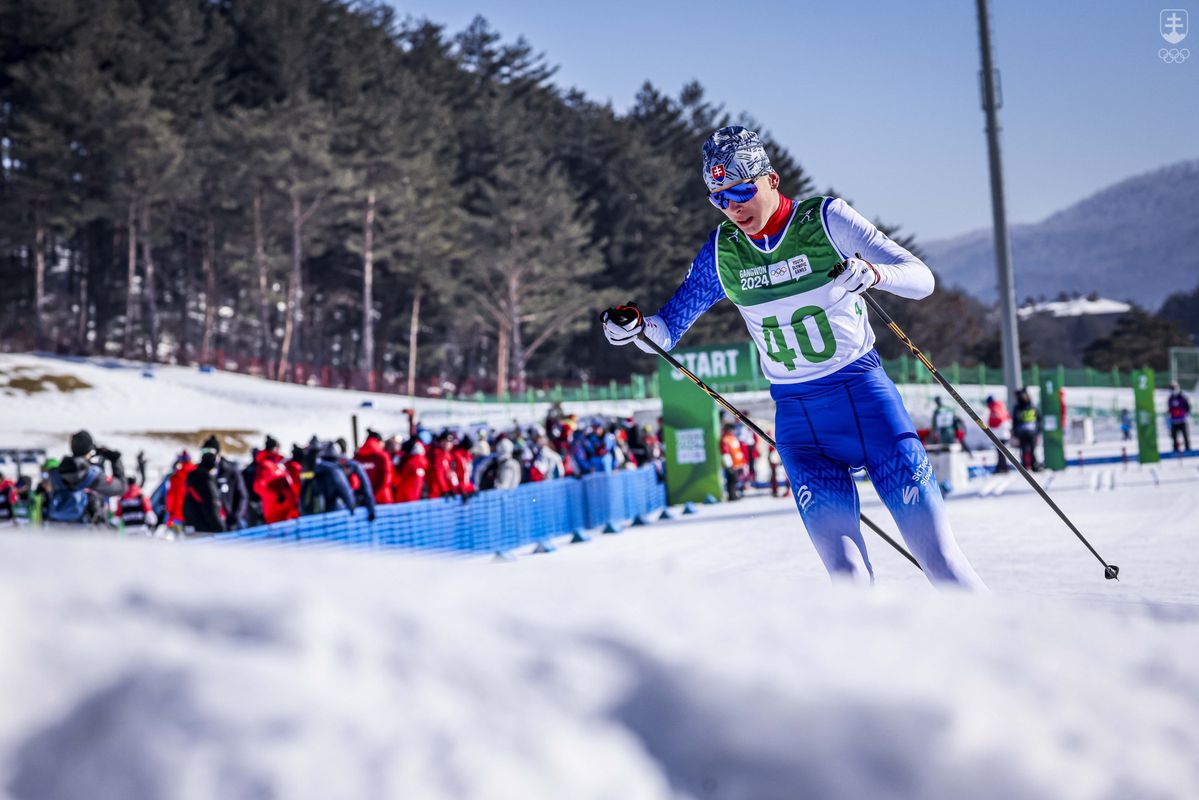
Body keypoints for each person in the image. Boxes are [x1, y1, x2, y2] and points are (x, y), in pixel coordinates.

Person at [602, 125, 983, 588]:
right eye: (719, 198)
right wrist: (634, 330)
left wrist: (873, 273)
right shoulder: (723, 251)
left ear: (772, 180)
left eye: (742, 191)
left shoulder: (824, 220)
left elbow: (921, 278)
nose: (733, 207)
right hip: (800, 427)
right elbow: (666, 330)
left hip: (866, 402)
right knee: (848, 579)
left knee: (940, 560)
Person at [47, 430, 128, 524]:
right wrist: (115, 460)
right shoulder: (92, 475)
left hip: (60, 530)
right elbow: (122, 488)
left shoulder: (55, 473)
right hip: (89, 532)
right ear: (90, 450)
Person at [201, 436, 248, 529]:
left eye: (211, 451)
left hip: (229, 522)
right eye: (205, 451)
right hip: (206, 525)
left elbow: (242, 496)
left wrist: (235, 517)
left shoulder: (230, 472)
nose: (208, 455)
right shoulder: (198, 473)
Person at [253, 436, 299, 524]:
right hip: (275, 512)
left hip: (287, 512)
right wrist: (276, 497)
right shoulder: (265, 465)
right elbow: (258, 487)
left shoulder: (279, 464)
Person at [183, 450, 226, 534]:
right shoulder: (206, 482)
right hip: (206, 528)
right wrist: (220, 527)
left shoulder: (193, 478)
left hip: (191, 523)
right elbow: (211, 507)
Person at [354, 429, 394, 505]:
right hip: (383, 501)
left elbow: (354, 481)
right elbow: (386, 480)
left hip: (364, 502)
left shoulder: (357, 457)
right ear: (379, 442)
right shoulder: (383, 457)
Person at [1013, 388, 1041, 471]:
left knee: (1032, 449)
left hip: (1031, 432)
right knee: (1024, 449)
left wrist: (1038, 429)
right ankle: (1025, 465)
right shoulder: (1018, 407)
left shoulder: (1031, 406)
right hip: (1023, 432)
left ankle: (1033, 465)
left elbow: (1038, 418)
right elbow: (1015, 420)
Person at [165, 451, 195, 528]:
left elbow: (170, 496)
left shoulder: (176, 476)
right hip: (195, 514)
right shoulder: (198, 472)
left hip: (177, 515)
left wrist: (170, 511)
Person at [719, 422, 748, 500]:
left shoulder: (733, 438)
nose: (733, 431)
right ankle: (732, 496)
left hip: (737, 463)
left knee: (735, 480)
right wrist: (728, 464)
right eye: (732, 429)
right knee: (731, 480)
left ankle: (734, 494)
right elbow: (725, 452)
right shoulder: (725, 439)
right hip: (731, 463)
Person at [986, 395, 1012, 473]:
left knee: (1001, 452)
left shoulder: (994, 408)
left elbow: (998, 419)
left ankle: (1003, 468)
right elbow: (1007, 418)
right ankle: (1001, 467)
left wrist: (992, 425)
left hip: (1000, 434)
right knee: (1001, 452)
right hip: (1004, 433)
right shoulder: (1001, 406)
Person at [1167, 382, 1191, 453]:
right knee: (1174, 437)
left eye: (1173, 388)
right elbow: (1169, 409)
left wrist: (1184, 413)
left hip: (1182, 420)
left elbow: (1187, 407)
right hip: (1174, 421)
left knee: (1185, 436)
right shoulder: (1170, 398)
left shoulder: (1182, 397)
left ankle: (1187, 449)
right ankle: (1175, 449)